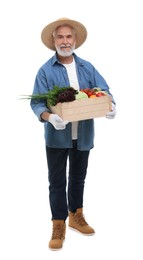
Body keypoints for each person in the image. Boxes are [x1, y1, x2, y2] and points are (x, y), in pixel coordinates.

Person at [30, 17, 116, 250]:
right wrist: (50, 117)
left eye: (69, 37)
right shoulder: (45, 70)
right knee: (56, 182)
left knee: (78, 177)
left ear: (75, 40)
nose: (65, 41)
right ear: (54, 40)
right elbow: (37, 103)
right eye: (60, 37)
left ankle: (76, 216)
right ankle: (59, 223)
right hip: (57, 136)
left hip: (84, 134)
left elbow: (104, 90)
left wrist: (111, 106)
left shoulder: (87, 67)